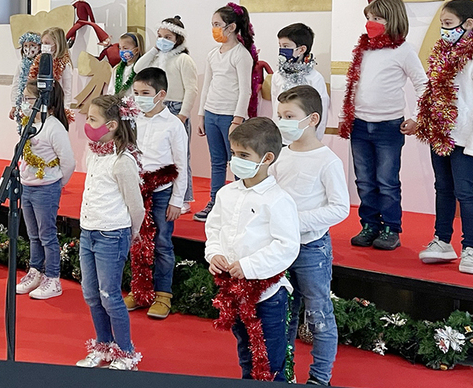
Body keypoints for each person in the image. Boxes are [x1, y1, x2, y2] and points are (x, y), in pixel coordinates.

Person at [204, 117, 300, 382]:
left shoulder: (278, 200)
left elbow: (287, 246)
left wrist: (249, 266)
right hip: (235, 291)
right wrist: (214, 254)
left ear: (267, 158)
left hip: (268, 296)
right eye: (234, 153)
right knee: (246, 355)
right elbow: (215, 228)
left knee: (270, 363)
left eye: (244, 155)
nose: (236, 160)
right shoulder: (226, 194)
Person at [269, 86, 350, 385]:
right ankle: (284, 372)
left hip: (312, 249)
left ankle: (320, 377)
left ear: (312, 119)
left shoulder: (327, 160)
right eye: (280, 116)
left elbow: (340, 208)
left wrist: (295, 221)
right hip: (280, 247)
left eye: (290, 116)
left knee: (319, 315)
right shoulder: (280, 155)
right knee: (284, 314)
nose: (282, 122)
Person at [416, 0, 473, 275]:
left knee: (466, 192)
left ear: (469, 24)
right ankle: (442, 241)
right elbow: (433, 94)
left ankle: (471, 249)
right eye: (442, 24)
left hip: (466, 141)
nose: (444, 29)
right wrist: (423, 122)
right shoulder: (444, 53)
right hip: (440, 135)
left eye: (448, 24)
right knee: (443, 189)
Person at [340, 0, 427, 251]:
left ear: (393, 21)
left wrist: (417, 117)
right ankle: (370, 224)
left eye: (377, 18)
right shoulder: (363, 49)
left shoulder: (404, 51)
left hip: (388, 127)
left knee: (387, 181)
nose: (371, 23)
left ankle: (391, 228)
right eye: (369, 18)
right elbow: (355, 84)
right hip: (359, 125)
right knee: (364, 180)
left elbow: (422, 84)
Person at [76, 95, 144, 371]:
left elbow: (135, 205)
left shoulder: (122, 160)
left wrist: (132, 233)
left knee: (109, 295)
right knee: (91, 294)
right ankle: (103, 346)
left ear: (112, 125)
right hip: (88, 231)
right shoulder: (95, 153)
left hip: (112, 235)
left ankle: (125, 352)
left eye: (93, 119)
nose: (87, 123)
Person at [123, 67, 188, 318]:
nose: (139, 98)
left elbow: (181, 164)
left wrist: (177, 200)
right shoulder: (132, 120)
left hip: (161, 193)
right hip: (135, 191)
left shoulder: (173, 125)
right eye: (136, 92)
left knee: (162, 243)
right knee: (136, 240)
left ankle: (163, 294)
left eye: (145, 93)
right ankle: (139, 290)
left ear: (160, 95)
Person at [195, 4, 257, 222]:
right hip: (212, 113)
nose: (214, 29)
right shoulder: (213, 54)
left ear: (231, 27)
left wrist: (237, 120)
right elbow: (206, 86)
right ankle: (215, 202)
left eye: (217, 24)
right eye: (212, 24)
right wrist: (201, 115)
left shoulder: (241, 55)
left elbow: (245, 90)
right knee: (217, 161)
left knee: (237, 162)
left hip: (231, 116)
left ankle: (240, 204)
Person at [15, 81, 75, 300]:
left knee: (47, 235)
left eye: (28, 99)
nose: (24, 103)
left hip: (46, 188)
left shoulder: (53, 127)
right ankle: (35, 271)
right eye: (23, 98)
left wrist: (57, 183)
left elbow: (68, 162)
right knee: (33, 234)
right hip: (27, 186)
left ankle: (53, 277)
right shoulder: (28, 123)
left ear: (43, 102)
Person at [135, 17, 199, 212]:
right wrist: (154, 49)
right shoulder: (157, 58)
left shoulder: (183, 59)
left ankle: (183, 198)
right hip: (157, 104)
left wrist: (183, 114)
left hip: (176, 107)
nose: (163, 40)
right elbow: (138, 68)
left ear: (178, 39)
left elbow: (191, 89)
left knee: (180, 156)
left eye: (168, 37)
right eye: (160, 36)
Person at [270, 24, 330, 140]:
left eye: (286, 46)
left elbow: (321, 112)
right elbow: (275, 106)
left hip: (305, 137)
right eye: (280, 46)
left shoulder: (315, 78)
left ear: (301, 49)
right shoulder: (277, 76)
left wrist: (315, 140)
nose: (282, 50)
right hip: (281, 138)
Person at [28, 27, 75, 112]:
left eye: (47, 43)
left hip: (55, 105)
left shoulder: (64, 64)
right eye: (42, 43)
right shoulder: (39, 61)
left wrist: (65, 110)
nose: (44, 46)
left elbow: (67, 90)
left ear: (57, 44)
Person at [9, 31, 42, 132]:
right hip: (24, 103)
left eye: (32, 45)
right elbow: (16, 84)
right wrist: (14, 105)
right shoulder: (21, 65)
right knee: (24, 128)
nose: (28, 48)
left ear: (39, 46)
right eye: (26, 46)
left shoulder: (42, 63)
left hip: (38, 103)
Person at [107, 32, 145, 97]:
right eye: (120, 48)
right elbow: (111, 90)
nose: (122, 51)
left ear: (136, 50)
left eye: (125, 48)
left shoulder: (142, 68)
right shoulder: (117, 68)